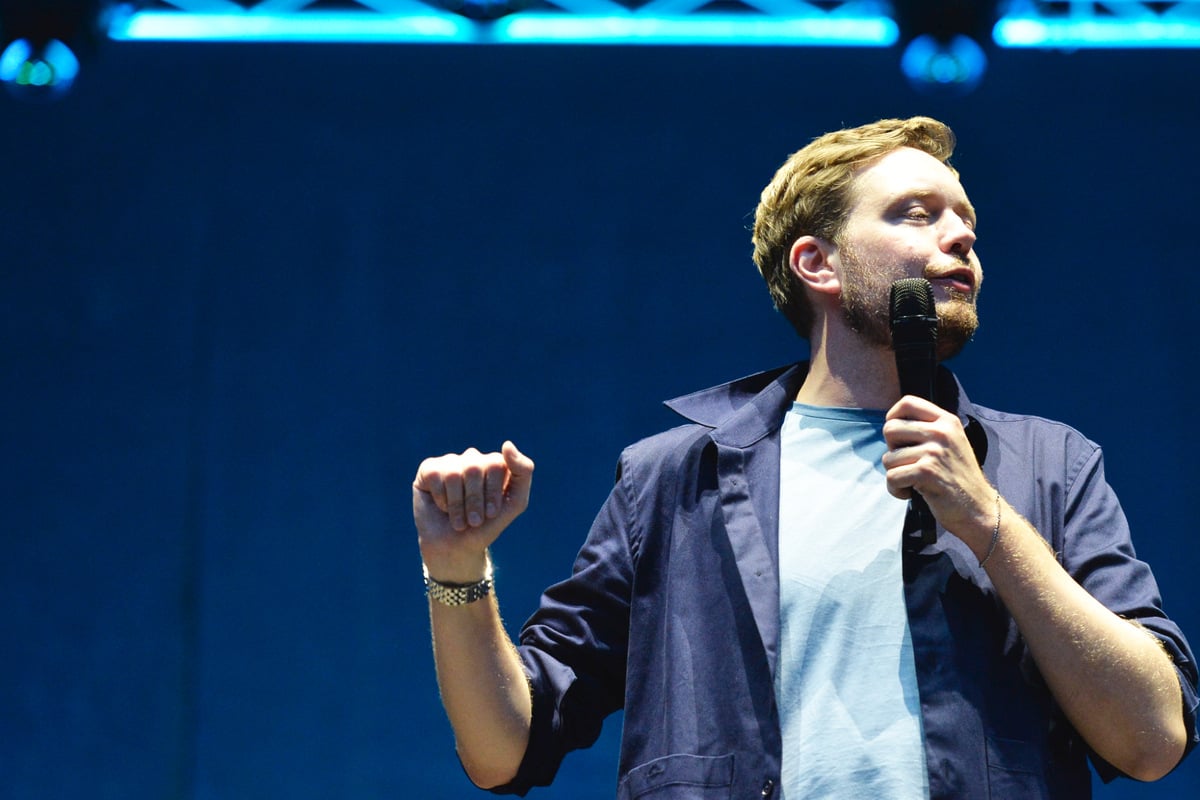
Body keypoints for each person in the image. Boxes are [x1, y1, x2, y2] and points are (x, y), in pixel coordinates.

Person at [412, 117, 1198, 799]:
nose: (961, 237)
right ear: (817, 263)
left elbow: (1154, 739)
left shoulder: (1050, 466)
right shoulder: (673, 481)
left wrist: (989, 522)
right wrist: (456, 567)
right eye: (917, 214)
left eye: (967, 223)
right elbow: (504, 749)